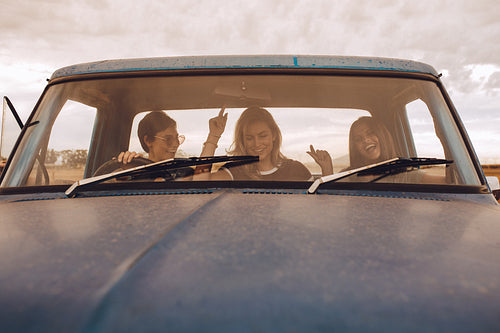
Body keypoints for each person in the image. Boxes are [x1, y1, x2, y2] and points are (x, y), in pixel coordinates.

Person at [308, 116, 446, 183]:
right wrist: (327, 169)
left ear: (382, 135)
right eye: (358, 139)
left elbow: (449, 182)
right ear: (355, 147)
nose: (366, 140)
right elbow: (330, 201)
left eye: (370, 133)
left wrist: (445, 139)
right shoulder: (348, 175)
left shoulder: (405, 175)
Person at [198, 107, 312, 181]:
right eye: (249, 138)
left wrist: (327, 171)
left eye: (262, 136)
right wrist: (213, 137)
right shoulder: (235, 171)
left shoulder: (296, 169)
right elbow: (199, 184)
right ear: (242, 141)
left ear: (274, 136)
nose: (256, 144)